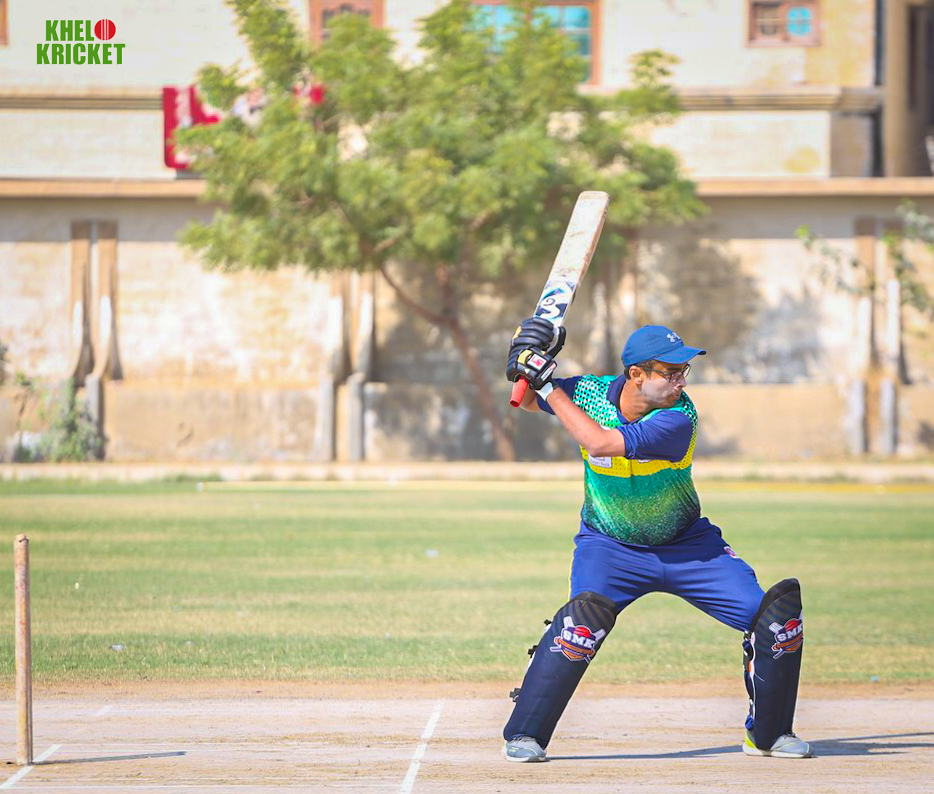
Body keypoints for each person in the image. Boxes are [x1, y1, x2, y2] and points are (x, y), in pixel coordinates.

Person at [501, 319, 811, 762]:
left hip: (688, 548)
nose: (681, 381)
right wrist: (521, 363)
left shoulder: (678, 418)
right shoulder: (588, 392)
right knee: (579, 627)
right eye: (670, 372)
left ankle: (770, 734)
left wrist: (546, 381)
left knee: (776, 621)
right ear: (636, 374)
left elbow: (599, 442)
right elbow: (531, 400)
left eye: (684, 371)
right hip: (609, 546)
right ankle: (525, 734)